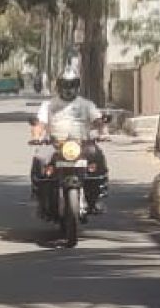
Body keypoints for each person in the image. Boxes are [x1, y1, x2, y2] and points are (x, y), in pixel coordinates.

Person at [29, 68, 109, 213]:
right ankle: (40, 198)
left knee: (97, 156)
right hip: (55, 144)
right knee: (39, 158)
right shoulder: (48, 105)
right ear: (59, 86)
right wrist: (36, 137)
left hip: (82, 144)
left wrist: (103, 132)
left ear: (77, 85)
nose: (68, 88)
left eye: (72, 84)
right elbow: (39, 124)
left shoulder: (86, 104)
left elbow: (98, 120)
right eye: (65, 84)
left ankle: (96, 198)